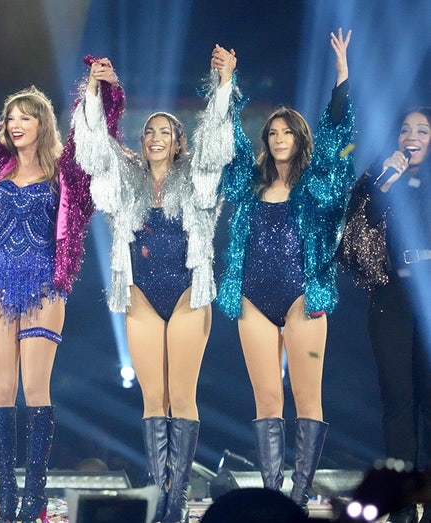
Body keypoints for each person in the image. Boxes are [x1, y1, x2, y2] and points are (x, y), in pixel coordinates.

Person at [0, 34, 104, 522]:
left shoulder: (65, 172)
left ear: (42, 122)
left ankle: (36, 494)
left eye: (23, 117)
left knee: (37, 389)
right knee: (1, 388)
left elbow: (91, 138)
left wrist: (94, 90)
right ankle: (8, 496)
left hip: (44, 285)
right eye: (9, 118)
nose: (13, 124)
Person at [71, 46, 239, 523]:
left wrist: (223, 83)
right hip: (141, 295)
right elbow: (94, 149)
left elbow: (215, 141)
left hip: (188, 293)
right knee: (153, 398)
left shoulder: (198, 178)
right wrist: (95, 90)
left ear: (180, 142)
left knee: (181, 396)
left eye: (166, 129)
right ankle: (158, 488)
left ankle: (178, 494)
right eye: (149, 130)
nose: (155, 135)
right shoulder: (126, 179)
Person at [217, 28, 354, 513]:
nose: (278, 139)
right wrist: (227, 86)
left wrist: (341, 77)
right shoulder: (250, 186)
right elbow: (230, 146)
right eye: (272, 133)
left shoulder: (316, 185)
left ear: (299, 137)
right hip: (252, 297)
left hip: (303, 296)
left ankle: (298, 494)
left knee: (306, 398)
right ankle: (273, 494)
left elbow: (338, 133)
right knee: (267, 400)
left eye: (286, 132)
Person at [339, 107, 431, 523]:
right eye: (405, 129)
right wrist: (383, 183)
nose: (412, 136)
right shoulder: (379, 177)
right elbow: (356, 232)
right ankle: (402, 501)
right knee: (398, 399)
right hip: (392, 294)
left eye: (423, 130)